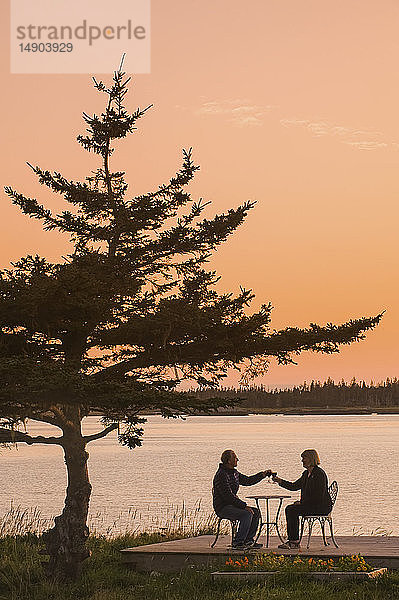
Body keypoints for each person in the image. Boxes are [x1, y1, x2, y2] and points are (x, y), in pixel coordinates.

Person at [212, 449, 273, 550]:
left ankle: (248, 540)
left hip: (232, 505)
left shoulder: (234, 473)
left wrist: (262, 475)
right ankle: (238, 542)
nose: (238, 460)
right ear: (229, 461)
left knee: (255, 512)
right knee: (247, 513)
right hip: (223, 507)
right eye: (235, 458)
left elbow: (248, 481)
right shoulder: (221, 475)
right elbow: (228, 496)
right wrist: (244, 506)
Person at [272, 449, 332, 549]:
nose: (302, 460)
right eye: (302, 458)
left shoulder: (319, 474)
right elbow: (294, 486)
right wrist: (280, 481)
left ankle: (294, 541)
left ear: (311, 459)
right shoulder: (305, 474)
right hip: (311, 505)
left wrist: (302, 503)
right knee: (290, 509)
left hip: (321, 506)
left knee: (292, 510)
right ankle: (293, 540)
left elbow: (318, 496)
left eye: (304, 458)